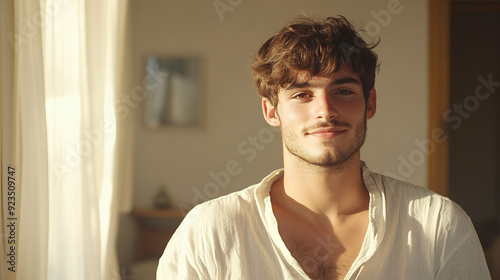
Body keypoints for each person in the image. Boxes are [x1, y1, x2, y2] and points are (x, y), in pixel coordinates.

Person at [157, 15, 491, 280]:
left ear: (369, 103)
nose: (325, 111)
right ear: (271, 111)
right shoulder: (210, 231)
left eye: (343, 91)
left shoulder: (439, 227)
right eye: (302, 95)